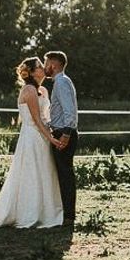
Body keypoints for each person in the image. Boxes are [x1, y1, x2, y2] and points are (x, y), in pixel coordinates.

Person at [0, 57, 65, 228]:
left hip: (43, 135)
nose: (43, 69)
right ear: (32, 72)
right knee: (31, 173)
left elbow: (47, 117)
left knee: (45, 172)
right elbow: (36, 120)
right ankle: (29, 212)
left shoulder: (43, 91)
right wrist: (51, 138)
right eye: (39, 66)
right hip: (32, 136)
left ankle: (46, 210)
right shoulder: (29, 90)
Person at [44, 50, 78, 225]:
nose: (44, 67)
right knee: (62, 175)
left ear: (53, 65)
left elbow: (69, 111)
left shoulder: (62, 82)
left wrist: (65, 134)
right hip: (60, 131)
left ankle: (69, 216)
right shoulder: (60, 82)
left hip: (64, 133)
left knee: (65, 176)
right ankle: (65, 214)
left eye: (46, 63)